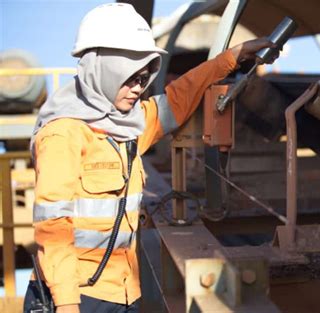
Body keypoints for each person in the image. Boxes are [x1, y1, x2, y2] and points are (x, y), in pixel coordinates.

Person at [23, 3, 276, 313]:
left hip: (125, 292)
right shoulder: (64, 134)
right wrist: (66, 304)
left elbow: (177, 97)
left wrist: (231, 57)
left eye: (144, 79)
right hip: (76, 298)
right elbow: (53, 227)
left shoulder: (128, 125)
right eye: (130, 78)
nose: (138, 89)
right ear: (104, 69)